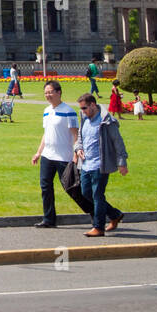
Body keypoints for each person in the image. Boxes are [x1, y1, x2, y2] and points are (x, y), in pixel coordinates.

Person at [75, 92, 129, 237]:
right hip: (86, 165)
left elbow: (118, 141)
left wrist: (122, 162)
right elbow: (80, 136)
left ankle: (98, 227)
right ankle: (115, 214)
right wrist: (78, 148)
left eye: (85, 108)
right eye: (81, 109)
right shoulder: (84, 118)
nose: (83, 111)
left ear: (93, 105)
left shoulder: (106, 121)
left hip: (100, 165)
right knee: (86, 193)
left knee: (98, 195)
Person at [31, 80, 79, 229]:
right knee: (45, 187)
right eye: (46, 92)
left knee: (72, 189)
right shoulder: (46, 110)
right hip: (48, 155)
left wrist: (76, 153)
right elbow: (46, 134)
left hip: (64, 156)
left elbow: (75, 135)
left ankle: (100, 213)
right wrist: (39, 152)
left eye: (50, 92)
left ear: (59, 92)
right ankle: (49, 219)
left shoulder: (68, 111)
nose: (48, 95)